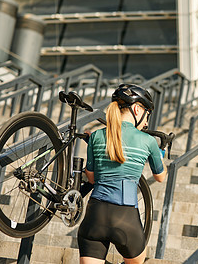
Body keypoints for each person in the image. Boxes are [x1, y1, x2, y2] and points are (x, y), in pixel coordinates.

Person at [77, 84, 167, 264]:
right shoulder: (148, 141)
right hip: (126, 218)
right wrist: (161, 154)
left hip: (95, 214)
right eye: (147, 115)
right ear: (136, 109)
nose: (147, 122)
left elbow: (92, 177)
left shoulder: (96, 136)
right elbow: (160, 177)